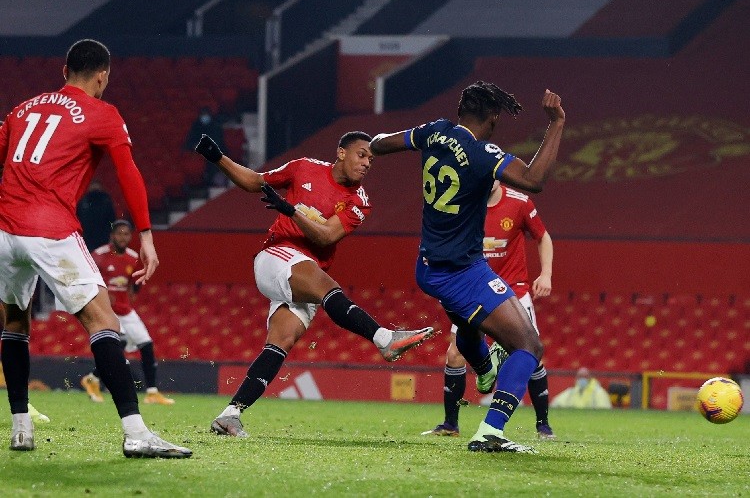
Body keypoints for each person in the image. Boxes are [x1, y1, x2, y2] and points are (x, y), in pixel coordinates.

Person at [0, 39, 191, 458]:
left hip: (5, 231)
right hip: (50, 229)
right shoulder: (102, 113)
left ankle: (20, 428)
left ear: (64, 70)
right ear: (102, 76)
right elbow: (128, 173)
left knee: (14, 323)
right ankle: (136, 433)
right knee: (104, 321)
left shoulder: (22, 109)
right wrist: (146, 235)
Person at [193, 131, 435, 437]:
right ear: (341, 152)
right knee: (327, 287)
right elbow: (257, 182)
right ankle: (384, 338)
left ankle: (230, 415)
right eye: (362, 155)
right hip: (276, 256)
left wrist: (290, 210)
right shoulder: (304, 167)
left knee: (280, 342)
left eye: (371, 160)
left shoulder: (359, 202)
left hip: (306, 275)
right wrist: (217, 157)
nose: (367, 163)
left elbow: (326, 236)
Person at [370, 81, 565, 453]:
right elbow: (534, 180)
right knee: (529, 345)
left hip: (429, 266)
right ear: (492, 117)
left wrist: (375, 144)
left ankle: (485, 370)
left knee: (470, 327)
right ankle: (491, 430)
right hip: (461, 271)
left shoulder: (433, 132)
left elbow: (380, 144)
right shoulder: (481, 152)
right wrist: (556, 123)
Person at [422, 181, 556, 439]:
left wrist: (546, 274)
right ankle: (450, 424)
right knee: (454, 354)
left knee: (531, 353)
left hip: (513, 292)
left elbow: (543, 236)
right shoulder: (463, 203)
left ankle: (543, 426)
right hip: (473, 290)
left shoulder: (519, 202)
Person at [80, 219, 174, 405]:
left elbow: (133, 283)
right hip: (107, 311)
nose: (123, 237)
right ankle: (93, 379)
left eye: (126, 234)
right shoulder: (99, 255)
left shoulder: (133, 257)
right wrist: (102, 295)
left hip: (126, 310)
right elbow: (87, 280)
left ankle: (152, 392)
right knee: (118, 344)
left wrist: (130, 293)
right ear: (112, 235)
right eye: (119, 233)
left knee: (146, 345)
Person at [184, 106, 227, 186]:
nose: (205, 117)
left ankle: (213, 180)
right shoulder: (196, 126)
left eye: (206, 114)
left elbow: (219, 142)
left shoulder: (215, 126)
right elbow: (191, 141)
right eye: (203, 114)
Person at [76, 179, 116, 251]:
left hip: (103, 236)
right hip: (87, 236)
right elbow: (78, 218)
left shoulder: (106, 201)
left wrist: (112, 232)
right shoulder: (84, 201)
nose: (94, 187)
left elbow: (112, 219)